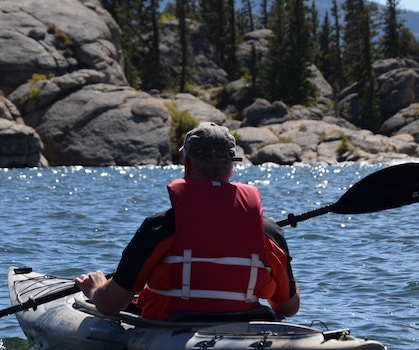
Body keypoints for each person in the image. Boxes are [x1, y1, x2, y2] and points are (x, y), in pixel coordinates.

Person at [75, 122, 299, 321]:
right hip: (243, 328)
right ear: (233, 167)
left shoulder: (160, 228)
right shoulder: (269, 231)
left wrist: (95, 290)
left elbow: (110, 305)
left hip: (171, 330)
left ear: (187, 165)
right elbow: (288, 307)